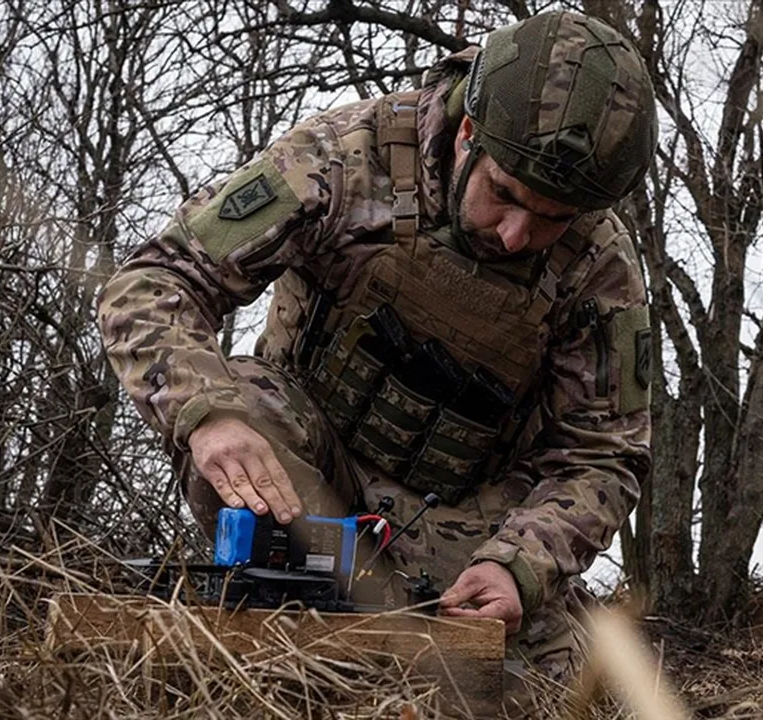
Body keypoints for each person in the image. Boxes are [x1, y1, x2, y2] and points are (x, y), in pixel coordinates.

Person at [97, 8, 656, 696]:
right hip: (305, 473)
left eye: (552, 219)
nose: (516, 235)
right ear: (469, 135)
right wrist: (206, 414)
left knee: (547, 694)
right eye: (504, 196)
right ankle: (289, 615)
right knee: (239, 398)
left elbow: (604, 453)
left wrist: (519, 567)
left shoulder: (599, 269)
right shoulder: (342, 158)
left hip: (460, 524)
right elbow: (155, 281)